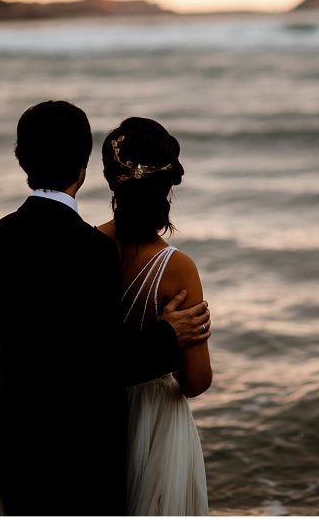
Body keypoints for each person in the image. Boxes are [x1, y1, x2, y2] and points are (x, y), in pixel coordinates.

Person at [0, 101, 211, 516]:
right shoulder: (91, 252)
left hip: (14, 451)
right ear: (84, 165)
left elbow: (42, 348)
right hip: (79, 460)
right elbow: (96, 362)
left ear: (21, 159)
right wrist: (170, 334)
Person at [96, 117, 212, 515]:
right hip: (158, 426)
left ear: (111, 181)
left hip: (93, 415)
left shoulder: (85, 246)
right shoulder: (177, 268)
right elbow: (196, 381)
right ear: (168, 185)